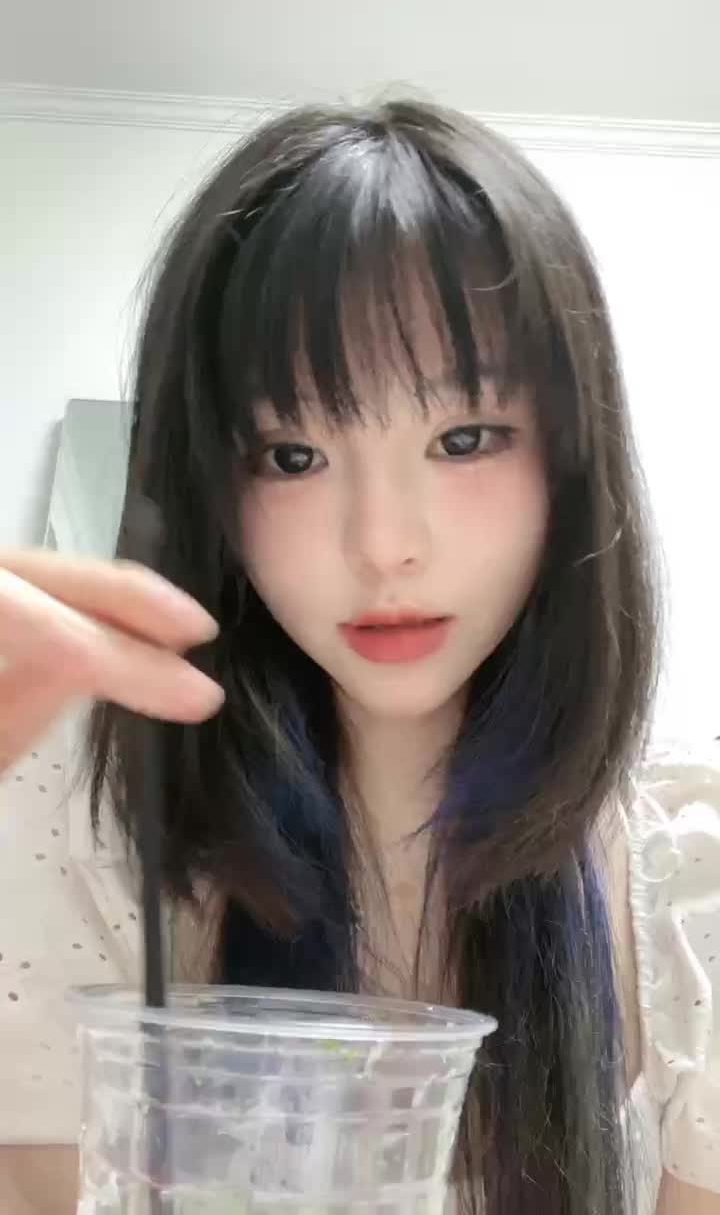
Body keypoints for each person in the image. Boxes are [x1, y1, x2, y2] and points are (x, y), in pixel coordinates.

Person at [1, 100, 719, 1215]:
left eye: (463, 439)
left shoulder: (687, 881)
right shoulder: (88, 819)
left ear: (572, 463)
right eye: (293, 454)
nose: (383, 544)